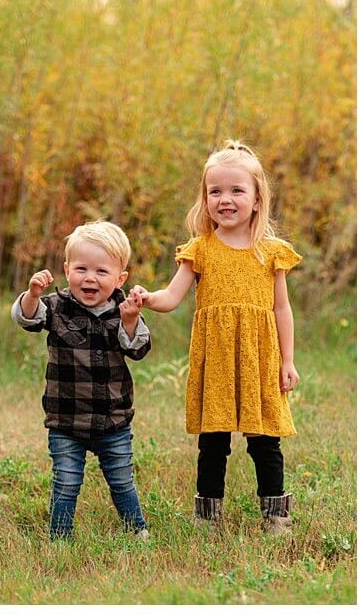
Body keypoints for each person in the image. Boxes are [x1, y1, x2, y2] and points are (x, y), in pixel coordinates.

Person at [130, 140, 300, 534]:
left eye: (237, 190)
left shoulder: (270, 252)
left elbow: (281, 310)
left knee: (265, 440)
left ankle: (275, 514)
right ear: (204, 199)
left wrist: (287, 361)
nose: (225, 199)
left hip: (260, 358)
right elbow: (172, 296)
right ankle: (207, 516)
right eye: (215, 191)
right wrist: (146, 298)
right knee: (213, 442)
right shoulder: (200, 250)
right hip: (218, 359)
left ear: (257, 199)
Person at [13, 220, 152, 540]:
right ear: (66, 269)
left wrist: (130, 322)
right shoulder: (57, 306)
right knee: (66, 481)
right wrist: (32, 295)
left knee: (121, 479)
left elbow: (139, 349)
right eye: (81, 269)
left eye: (102, 272)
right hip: (65, 421)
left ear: (121, 278)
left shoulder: (125, 310)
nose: (90, 278)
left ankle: (136, 532)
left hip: (112, 421)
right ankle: (60, 538)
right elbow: (27, 319)